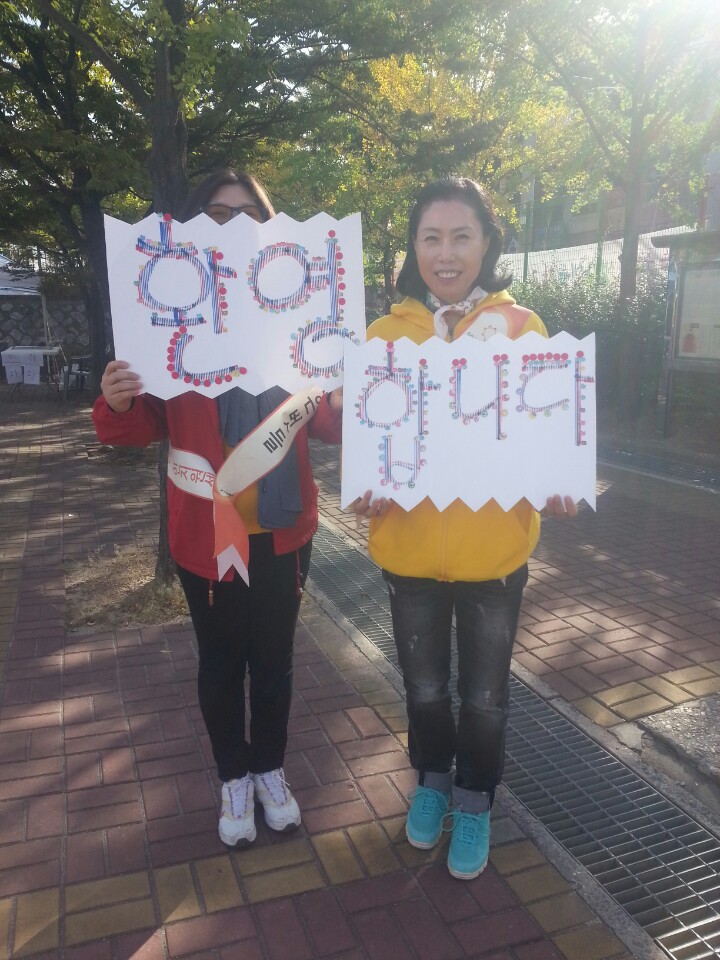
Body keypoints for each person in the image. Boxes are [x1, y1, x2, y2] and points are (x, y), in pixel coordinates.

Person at [93, 169, 343, 848]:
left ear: (271, 231)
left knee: (275, 660)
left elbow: (331, 427)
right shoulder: (168, 312)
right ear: (191, 229)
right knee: (219, 661)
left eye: (249, 216)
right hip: (204, 532)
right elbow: (135, 423)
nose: (234, 227)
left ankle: (269, 769)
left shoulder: (302, 314)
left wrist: (348, 396)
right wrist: (116, 400)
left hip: (283, 532)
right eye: (217, 215)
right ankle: (233, 774)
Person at [353, 177, 577, 881]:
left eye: (461, 236)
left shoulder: (523, 330)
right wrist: (366, 487)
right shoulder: (385, 336)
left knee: (484, 696)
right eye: (431, 237)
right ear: (412, 247)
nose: (445, 254)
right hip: (410, 557)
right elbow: (372, 444)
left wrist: (559, 482)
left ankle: (475, 802)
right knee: (422, 689)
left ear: (488, 243)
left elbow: (547, 443)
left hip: (494, 560)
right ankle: (431, 785)